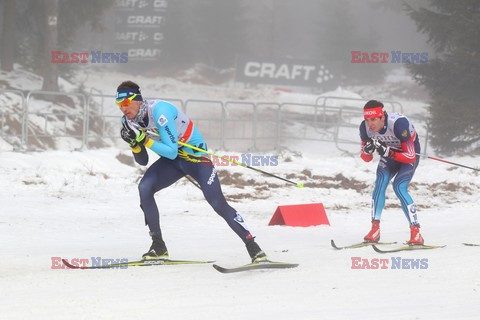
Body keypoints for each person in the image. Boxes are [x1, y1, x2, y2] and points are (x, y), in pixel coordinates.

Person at [115, 80, 268, 262]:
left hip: (196, 159)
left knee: (217, 204)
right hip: (174, 161)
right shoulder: (128, 121)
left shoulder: (159, 111)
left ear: (138, 100)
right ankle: (158, 246)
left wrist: (144, 140)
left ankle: (254, 248)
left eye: (126, 103)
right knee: (145, 188)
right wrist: (134, 143)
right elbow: (143, 161)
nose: (123, 109)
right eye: (119, 105)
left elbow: (170, 151)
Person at [359, 100, 424, 245]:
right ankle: (375, 229)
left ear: (382, 117)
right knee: (380, 183)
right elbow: (366, 158)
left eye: (374, 119)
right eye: (367, 120)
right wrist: (367, 150)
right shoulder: (365, 128)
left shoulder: (399, 124)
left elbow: (410, 156)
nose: (370, 124)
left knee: (399, 187)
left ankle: (416, 232)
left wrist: (387, 151)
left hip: (408, 155)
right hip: (390, 156)